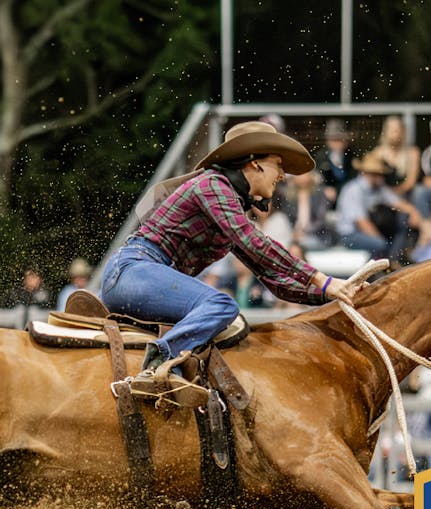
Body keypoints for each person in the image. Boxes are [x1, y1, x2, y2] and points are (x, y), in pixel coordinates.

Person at [100, 121, 360, 400]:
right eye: (277, 164)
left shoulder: (227, 202)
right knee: (221, 304)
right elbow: (255, 242)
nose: (283, 175)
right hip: (134, 270)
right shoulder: (212, 185)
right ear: (255, 164)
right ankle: (158, 363)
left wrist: (328, 295)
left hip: (141, 274)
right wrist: (321, 278)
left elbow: (273, 280)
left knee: (220, 308)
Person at [336, 153, 421, 262]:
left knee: (402, 221)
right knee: (380, 244)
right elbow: (361, 222)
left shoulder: (379, 188)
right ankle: (380, 269)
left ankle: (392, 261)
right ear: (368, 174)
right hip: (350, 235)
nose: (381, 177)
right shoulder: (353, 190)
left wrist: (413, 212)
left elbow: (398, 203)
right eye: (379, 174)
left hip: (365, 231)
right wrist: (381, 240)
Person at [368, 115, 420, 196]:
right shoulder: (377, 153)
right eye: (391, 129)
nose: (395, 133)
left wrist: (395, 193)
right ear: (385, 131)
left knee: (420, 192)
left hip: (406, 194)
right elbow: (373, 180)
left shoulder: (412, 152)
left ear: (403, 132)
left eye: (397, 129)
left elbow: (411, 181)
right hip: (383, 194)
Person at [281, 169, 332, 249]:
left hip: (316, 236)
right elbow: (286, 218)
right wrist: (293, 233)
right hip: (292, 235)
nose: (302, 177)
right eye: (299, 174)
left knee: (301, 245)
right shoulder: (287, 197)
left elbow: (320, 219)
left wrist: (303, 233)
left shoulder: (319, 194)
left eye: (304, 174)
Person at [315, 119, 356, 205]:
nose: (338, 143)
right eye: (334, 139)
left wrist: (338, 190)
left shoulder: (350, 156)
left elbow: (352, 178)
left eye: (340, 139)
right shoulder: (321, 156)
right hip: (325, 200)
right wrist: (324, 189)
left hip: (346, 197)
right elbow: (316, 177)